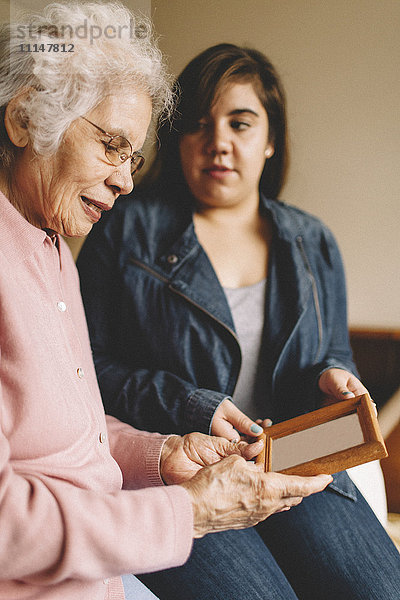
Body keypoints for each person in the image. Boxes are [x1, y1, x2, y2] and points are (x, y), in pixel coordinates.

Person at [0, 11, 335, 600]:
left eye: (133, 157)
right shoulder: (109, 234)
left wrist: (163, 455)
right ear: (25, 118)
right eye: (112, 146)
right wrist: (189, 510)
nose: (127, 181)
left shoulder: (50, 242)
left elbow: (71, 432)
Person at [78, 44, 400, 599]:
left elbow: (333, 353)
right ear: (177, 139)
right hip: (188, 468)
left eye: (241, 123)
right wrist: (191, 406)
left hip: (297, 456)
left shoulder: (311, 240)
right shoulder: (125, 229)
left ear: (271, 139)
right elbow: (88, 371)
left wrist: (334, 376)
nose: (218, 143)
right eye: (198, 125)